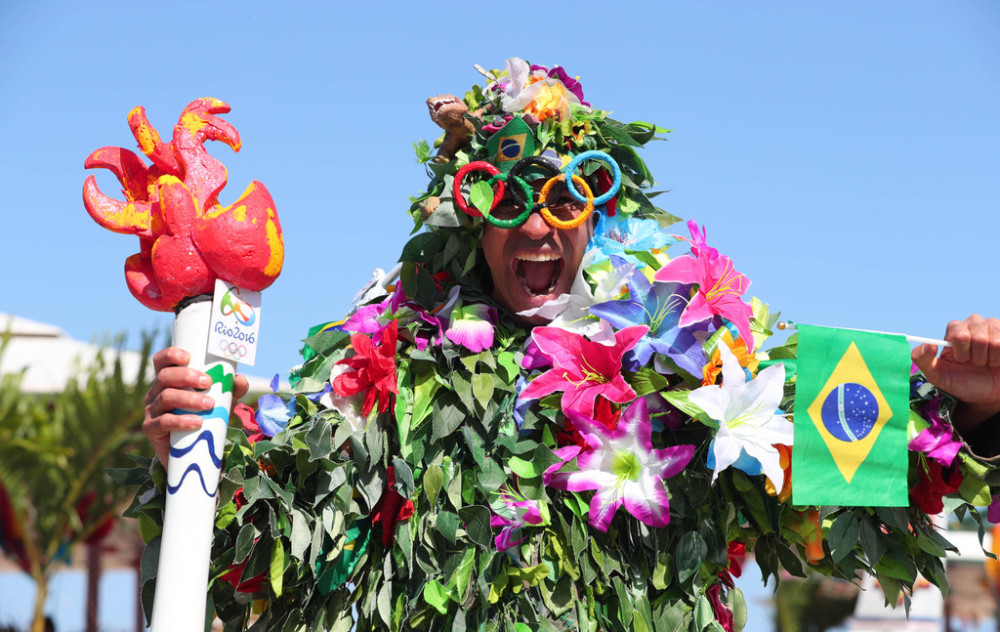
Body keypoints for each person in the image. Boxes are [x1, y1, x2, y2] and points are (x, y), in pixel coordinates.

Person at [138, 59, 1000, 631]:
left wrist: (972, 410)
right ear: (471, 219)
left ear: (597, 213)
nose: (536, 226)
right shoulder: (388, 367)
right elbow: (272, 553)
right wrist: (188, 451)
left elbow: (858, 450)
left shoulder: (687, 354)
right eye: (508, 199)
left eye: (563, 198)